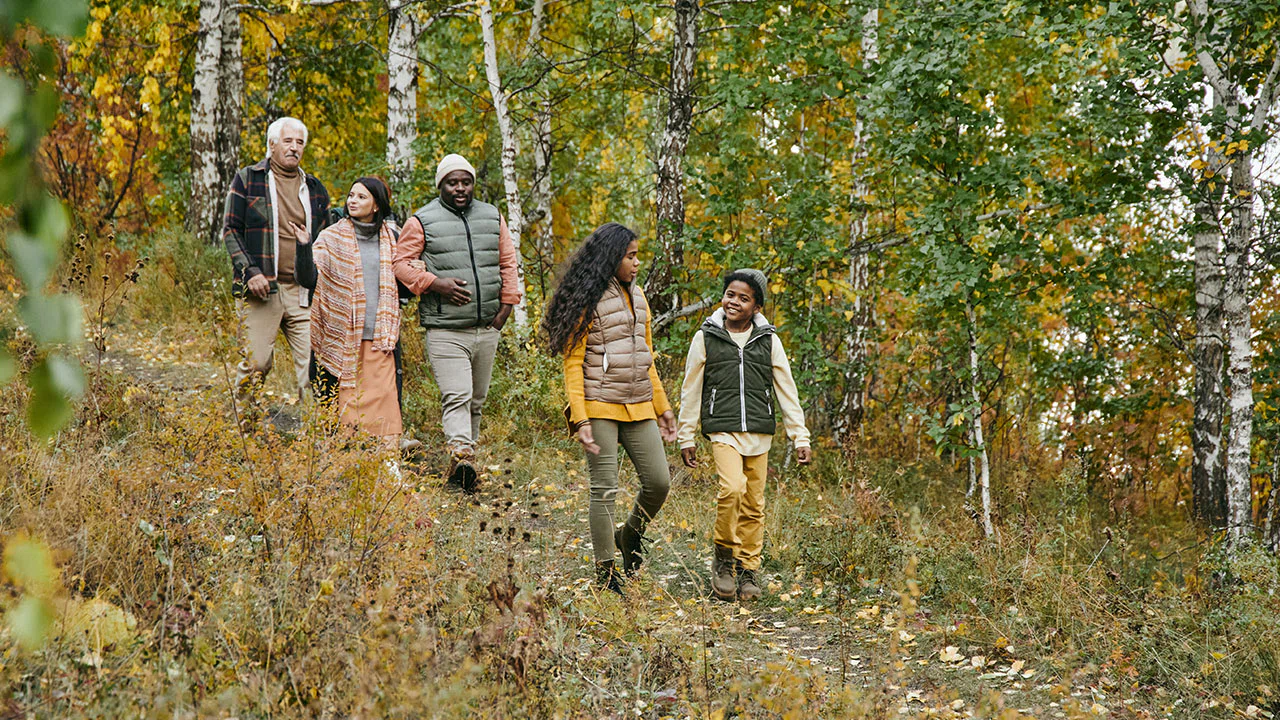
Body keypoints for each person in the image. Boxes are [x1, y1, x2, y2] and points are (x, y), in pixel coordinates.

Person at [543, 223, 677, 594]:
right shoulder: (587, 298)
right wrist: (581, 417)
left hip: (638, 402)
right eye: (630, 256)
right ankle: (606, 573)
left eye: (637, 256)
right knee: (604, 489)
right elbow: (573, 364)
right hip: (599, 404)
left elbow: (646, 357)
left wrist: (662, 407)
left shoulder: (639, 295)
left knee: (659, 483)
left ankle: (629, 535)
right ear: (611, 257)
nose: (637, 263)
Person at [676, 269, 811, 601]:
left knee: (753, 503)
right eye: (730, 295)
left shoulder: (769, 341)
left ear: (757, 307)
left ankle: (748, 569)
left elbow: (787, 390)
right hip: (722, 429)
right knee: (732, 488)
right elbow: (691, 389)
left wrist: (800, 436)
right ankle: (723, 558)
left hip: (759, 432)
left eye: (744, 298)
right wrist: (686, 435)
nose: (734, 302)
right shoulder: (706, 337)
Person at [392, 154, 521, 491]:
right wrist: (435, 284)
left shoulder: (491, 216)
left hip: (487, 326)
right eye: (452, 182)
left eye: (466, 182)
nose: (460, 188)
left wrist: (507, 306)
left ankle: (465, 465)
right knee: (458, 394)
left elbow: (508, 262)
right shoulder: (422, 221)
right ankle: (461, 452)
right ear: (441, 186)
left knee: (476, 399)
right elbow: (401, 264)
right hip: (445, 328)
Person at [222, 116, 330, 407]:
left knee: (314, 366)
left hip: (302, 291)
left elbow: (326, 239)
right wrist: (251, 272)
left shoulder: (315, 188)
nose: (294, 147)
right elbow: (231, 230)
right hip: (262, 289)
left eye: (300, 142)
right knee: (256, 363)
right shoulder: (248, 178)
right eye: (288, 141)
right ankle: (246, 425)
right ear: (272, 144)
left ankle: (315, 432)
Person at [295, 177, 402, 449]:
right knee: (347, 414)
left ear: (376, 206)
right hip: (342, 340)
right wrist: (303, 247)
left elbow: (405, 284)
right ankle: (348, 463)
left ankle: (388, 463)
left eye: (361, 197)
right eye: (351, 195)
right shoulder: (331, 237)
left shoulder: (392, 239)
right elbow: (308, 279)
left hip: (380, 338)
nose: (352, 201)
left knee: (386, 411)